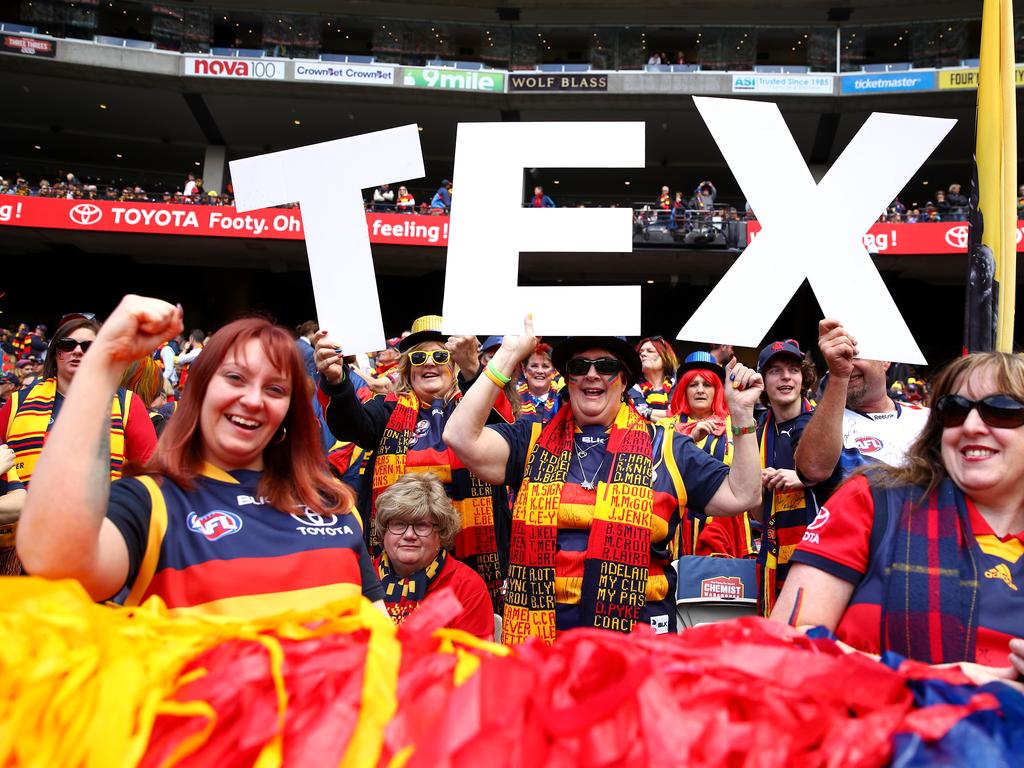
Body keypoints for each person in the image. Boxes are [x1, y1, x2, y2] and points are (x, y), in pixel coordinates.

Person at [16, 296, 385, 617]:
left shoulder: (332, 503)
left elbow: (379, 638)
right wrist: (103, 362)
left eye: (274, 388)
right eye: (236, 379)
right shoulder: (151, 502)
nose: (253, 400)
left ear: (289, 412)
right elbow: (53, 561)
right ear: (199, 391)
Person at [442, 319, 763, 643]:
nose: (592, 374)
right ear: (568, 380)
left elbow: (743, 494)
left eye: (606, 365)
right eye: (580, 366)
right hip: (541, 655)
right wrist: (508, 355)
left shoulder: (667, 446)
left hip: (637, 655)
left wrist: (743, 416)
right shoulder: (532, 439)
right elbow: (459, 436)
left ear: (624, 381)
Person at [773, 352, 1024, 682]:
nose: (971, 426)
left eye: (1000, 410)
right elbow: (783, 643)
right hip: (871, 726)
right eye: (954, 410)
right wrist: (952, 681)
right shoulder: (871, 500)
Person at [315, 314, 506, 610]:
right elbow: (351, 424)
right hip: (400, 555)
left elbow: (503, 424)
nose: (429, 363)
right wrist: (337, 381)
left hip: (471, 554)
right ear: (408, 368)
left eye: (440, 355)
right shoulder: (388, 411)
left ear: (454, 364)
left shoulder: (476, 409)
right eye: (419, 357)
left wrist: (475, 372)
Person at [0, 314, 157, 487]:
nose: (77, 351)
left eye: (88, 346)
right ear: (54, 353)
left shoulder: (127, 403)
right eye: (68, 344)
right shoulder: (18, 402)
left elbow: (150, 474)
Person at [794, 319, 928, 502]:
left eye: (855, 355)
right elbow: (813, 470)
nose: (848, 365)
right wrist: (838, 375)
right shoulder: (814, 422)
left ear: (885, 360)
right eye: (839, 357)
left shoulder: (927, 418)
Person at [374, 472, 494, 641]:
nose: (409, 534)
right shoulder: (361, 579)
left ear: (442, 533)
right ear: (384, 530)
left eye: (422, 525)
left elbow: (475, 662)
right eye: (399, 524)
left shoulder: (466, 587)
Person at [752, 339, 819, 614]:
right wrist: (757, 486)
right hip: (772, 559)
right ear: (763, 382)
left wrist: (804, 479)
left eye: (793, 369)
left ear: (804, 378)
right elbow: (757, 514)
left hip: (817, 558)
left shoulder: (821, 424)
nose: (786, 377)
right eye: (775, 371)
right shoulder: (757, 433)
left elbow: (846, 486)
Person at [629, 336, 677, 422]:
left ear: (665, 357)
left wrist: (646, 412)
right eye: (640, 353)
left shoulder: (678, 384)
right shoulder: (631, 386)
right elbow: (635, 414)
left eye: (650, 351)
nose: (643, 354)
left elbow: (683, 414)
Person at [517, 343, 560, 424]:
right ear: (524, 370)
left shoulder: (563, 399)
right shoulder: (512, 399)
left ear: (554, 372)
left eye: (545, 366)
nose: (540, 371)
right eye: (534, 366)